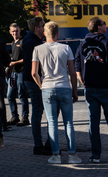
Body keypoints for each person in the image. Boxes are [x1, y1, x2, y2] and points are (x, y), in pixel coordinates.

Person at [74, 17, 108, 163]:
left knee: (93, 122)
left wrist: (82, 81)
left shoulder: (83, 45)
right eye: (104, 23)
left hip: (91, 88)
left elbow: (77, 66)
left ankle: (95, 155)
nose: (106, 25)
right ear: (99, 27)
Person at [31, 22, 81, 164]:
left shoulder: (37, 49)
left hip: (47, 87)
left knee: (52, 123)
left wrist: (42, 86)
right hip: (64, 87)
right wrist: (74, 92)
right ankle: (72, 156)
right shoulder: (66, 48)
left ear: (45, 33)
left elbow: (34, 73)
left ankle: (55, 155)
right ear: (57, 33)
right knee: (69, 122)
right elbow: (72, 72)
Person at [23, 16, 52, 155]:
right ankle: (39, 145)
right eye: (42, 25)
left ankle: (43, 143)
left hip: (34, 79)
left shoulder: (34, 41)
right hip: (35, 81)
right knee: (38, 111)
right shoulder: (33, 42)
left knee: (39, 111)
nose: (44, 27)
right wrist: (40, 83)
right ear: (36, 28)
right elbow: (33, 66)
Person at [7, 23, 29, 126]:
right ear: (10, 32)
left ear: (20, 31)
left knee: (22, 95)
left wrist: (15, 63)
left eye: (17, 31)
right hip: (13, 73)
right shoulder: (13, 43)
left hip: (21, 72)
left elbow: (26, 59)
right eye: (13, 31)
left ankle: (25, 117)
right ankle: (14, 116)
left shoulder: (23, 42)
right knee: (10, 95)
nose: (15, 33)